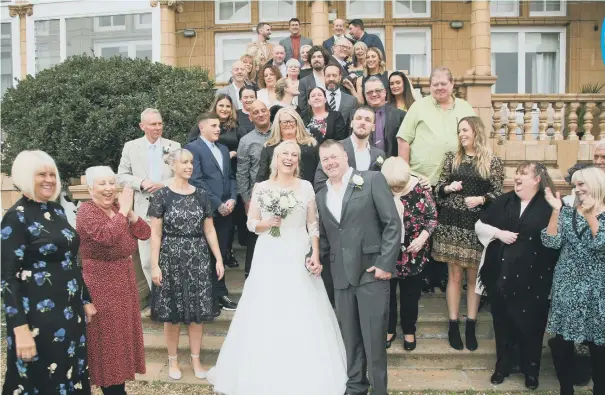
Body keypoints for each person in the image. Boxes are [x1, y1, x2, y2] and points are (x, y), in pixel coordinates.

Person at [207, 140, 347, 394]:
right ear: (276, 158)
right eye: (285, 153)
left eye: (294, 154)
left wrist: (315, 253)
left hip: (297, 250)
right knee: (267, 305)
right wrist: (267, 222)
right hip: (270, 252)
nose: (290, 158)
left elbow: (313, 225)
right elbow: (251, 223)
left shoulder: (305, 187)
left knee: (302, 305)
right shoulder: (261, 187)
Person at [1, 150, 96, 395]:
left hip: (69, 313)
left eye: (52, 174)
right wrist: (19, 329)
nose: (49, 179)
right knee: (42, 379)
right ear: (24, 177)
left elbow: (69, 260)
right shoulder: (15, 218)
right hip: (37, 317)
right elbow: (7, 278)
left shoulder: (56, 211)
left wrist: (85, 299)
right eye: (41, 174)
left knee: (71, 372)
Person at [316, 139, 401, 395]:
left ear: (345, 156)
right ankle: (355, 386)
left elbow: (392, 224)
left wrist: (385, 264)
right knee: (349, 339)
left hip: (371, 273)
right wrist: (314, 257)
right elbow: (327, 237)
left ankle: (379, 390)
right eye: (325, 160)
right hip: (340, 276)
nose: (330, 163)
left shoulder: (372, 179)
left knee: (374, 341)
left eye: (334, 157)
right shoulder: (321, 195)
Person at [476, 162, 559, 389]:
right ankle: (502, 367)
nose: (517, 178)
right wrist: (498, 233)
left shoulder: (548, 205)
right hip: (501, 276)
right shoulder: (504, 200)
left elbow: (556, 239)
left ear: (537, 179)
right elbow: (480, 225)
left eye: (523, 174)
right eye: (517, 173)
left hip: (536, 279)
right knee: (502, 324)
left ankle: (531, 371)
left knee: (531, 326)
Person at [148, 149, 225, 381]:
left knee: (197, 313)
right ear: (173, 165)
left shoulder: (201, 195)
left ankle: (196, 359)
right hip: (170, 258)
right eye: (184, 162)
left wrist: (218, 258)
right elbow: (155, 234)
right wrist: (155, 265)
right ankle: (172, 361)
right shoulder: (162, 195)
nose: (189, 166)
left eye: (191, 162)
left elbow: (209, 230)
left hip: (198, 258)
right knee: (172, 314)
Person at [432, 116, 504, 351]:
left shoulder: (492, 161)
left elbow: (498, 194)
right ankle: (453, 324)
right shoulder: (452, 158)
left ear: (476, 131)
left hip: (476, 226)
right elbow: (438, 187)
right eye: (459, 130)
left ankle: (470, 325)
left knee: (474, 278)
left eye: (465, 130)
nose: (462, 134)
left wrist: (481, 199)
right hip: (451, 223)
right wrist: (448, 187)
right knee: (454, 276)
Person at [77, 166, 150, 395]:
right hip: (100, 286)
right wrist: (123, 212)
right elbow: (107, 237)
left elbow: (145, 232)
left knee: (121, 344)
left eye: (111, 183)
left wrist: (130, 213)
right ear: (90, 189)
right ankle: (114, 390)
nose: (109, 189)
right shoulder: (86, 212)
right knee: (107, 347)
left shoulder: (120, 209)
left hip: (125, 285)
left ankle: (119, 388)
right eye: (102, 184)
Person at [542, 167, 605, 395]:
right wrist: (557, 211)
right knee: (562, 342)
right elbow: (551, 241)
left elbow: (601, 245)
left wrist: (589, 214)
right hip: (566, 285)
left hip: (598, 288)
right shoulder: (568, 212)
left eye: (581, 185)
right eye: (574, 185)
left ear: (596, 185)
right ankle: (565, 389)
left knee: (599, 345)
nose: (576, 190)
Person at [117, 108, 181, 316]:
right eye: (152, 124)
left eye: (159, 124)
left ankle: (173, 301)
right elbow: (122, 175)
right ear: (142, 126)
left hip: (169, 207)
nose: (157, 128)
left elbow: (182, 174)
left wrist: (162, 184)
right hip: (143, 209)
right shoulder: (131, 147)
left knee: (170, 257)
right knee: (146, 260)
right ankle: (159, 299)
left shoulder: (174, 146)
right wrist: (142, 183)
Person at [381, 157, 438, 352]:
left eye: (400, 186)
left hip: (415, 252)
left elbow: (432, 218)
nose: (396, 190)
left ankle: (408, 330)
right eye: (393, 187)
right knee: (387, 294)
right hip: (388, 251)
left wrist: (422, 238)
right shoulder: (380, 188)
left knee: (410, 295)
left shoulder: (421, 189)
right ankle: (389, 329)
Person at [185, 113, 238, 312]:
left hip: (227, 210)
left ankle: (220, 294)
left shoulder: (224, 149)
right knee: (207, 255)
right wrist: (217, 204)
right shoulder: (192, 149)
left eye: (219, 126)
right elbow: (196, 180)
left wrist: (232, 198)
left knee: (221, 252)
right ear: (202, 128)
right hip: (206, 211)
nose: (218, 129)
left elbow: (231, 176)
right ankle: (208, 298)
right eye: (214, 126)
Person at [397, 66, 476, 187]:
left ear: (452, 83)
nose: (439, 87)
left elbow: (477, 139)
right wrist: (405, 176)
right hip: (421, 182)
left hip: (456, 182)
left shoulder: (465, 108)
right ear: (430, 86)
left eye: (443, 83)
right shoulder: (418, 107)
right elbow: (403, 140)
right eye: (435, 84)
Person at [236, 101, 272, 278]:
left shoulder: (281, 134)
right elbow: (242, 173)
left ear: (269, 112)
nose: (260, 114)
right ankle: (252, 275)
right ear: (250, 117)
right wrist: (246, 200)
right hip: (257, 196)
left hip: (282, 193)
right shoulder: (246, 141)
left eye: (263, 110)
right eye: (255, 112)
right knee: (255, 237)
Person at [256, 108, 319, 185]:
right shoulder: (270, 146)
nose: (288, 124)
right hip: (278, 193)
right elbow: (262, 174)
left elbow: (319, 171)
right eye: (284, 122)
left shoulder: (311, 144)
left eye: (291, 121)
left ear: (297, 122)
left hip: (308, 191)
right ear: (278, 124)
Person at [364, 76, 406, 158]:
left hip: (393, 165)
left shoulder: (400, 115)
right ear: (365, 95)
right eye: (369, 92)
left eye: (378, 91)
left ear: (385, 92)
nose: (374, 94)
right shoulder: (356, 116)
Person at [324, 64, 358, 130]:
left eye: (334, 75)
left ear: (340, 77)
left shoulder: (352, 101)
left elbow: (353, 126)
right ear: (324, 77)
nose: (331, 79)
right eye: (328, 76)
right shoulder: (317, 99)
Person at [298, 45, 329, 114]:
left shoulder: (332, 78)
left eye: (319, 56)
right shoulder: (303, 82)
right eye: (313, 57)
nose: (316, 59)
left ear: (325, 59)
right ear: (310, 61)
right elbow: (303, 108)